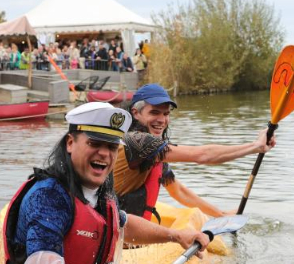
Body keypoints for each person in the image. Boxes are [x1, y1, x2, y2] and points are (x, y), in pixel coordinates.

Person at [1, 102, 209, 264]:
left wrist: (176, 236)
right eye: (94, 144)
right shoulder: (48, 197)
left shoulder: (99, 193)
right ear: (70, 143)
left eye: (111, 147)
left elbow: (122, 224)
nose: (104, 154)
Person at [113, 84, 276, 222]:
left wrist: (220, 215)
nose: (162, 120)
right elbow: (201, 155)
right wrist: (255, 146)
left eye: (166, 113)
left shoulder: (154, 151)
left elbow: (178, 191)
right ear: (135, 113)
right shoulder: (135, 142)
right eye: (154, 112)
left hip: (130, 231)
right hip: (116, 234)